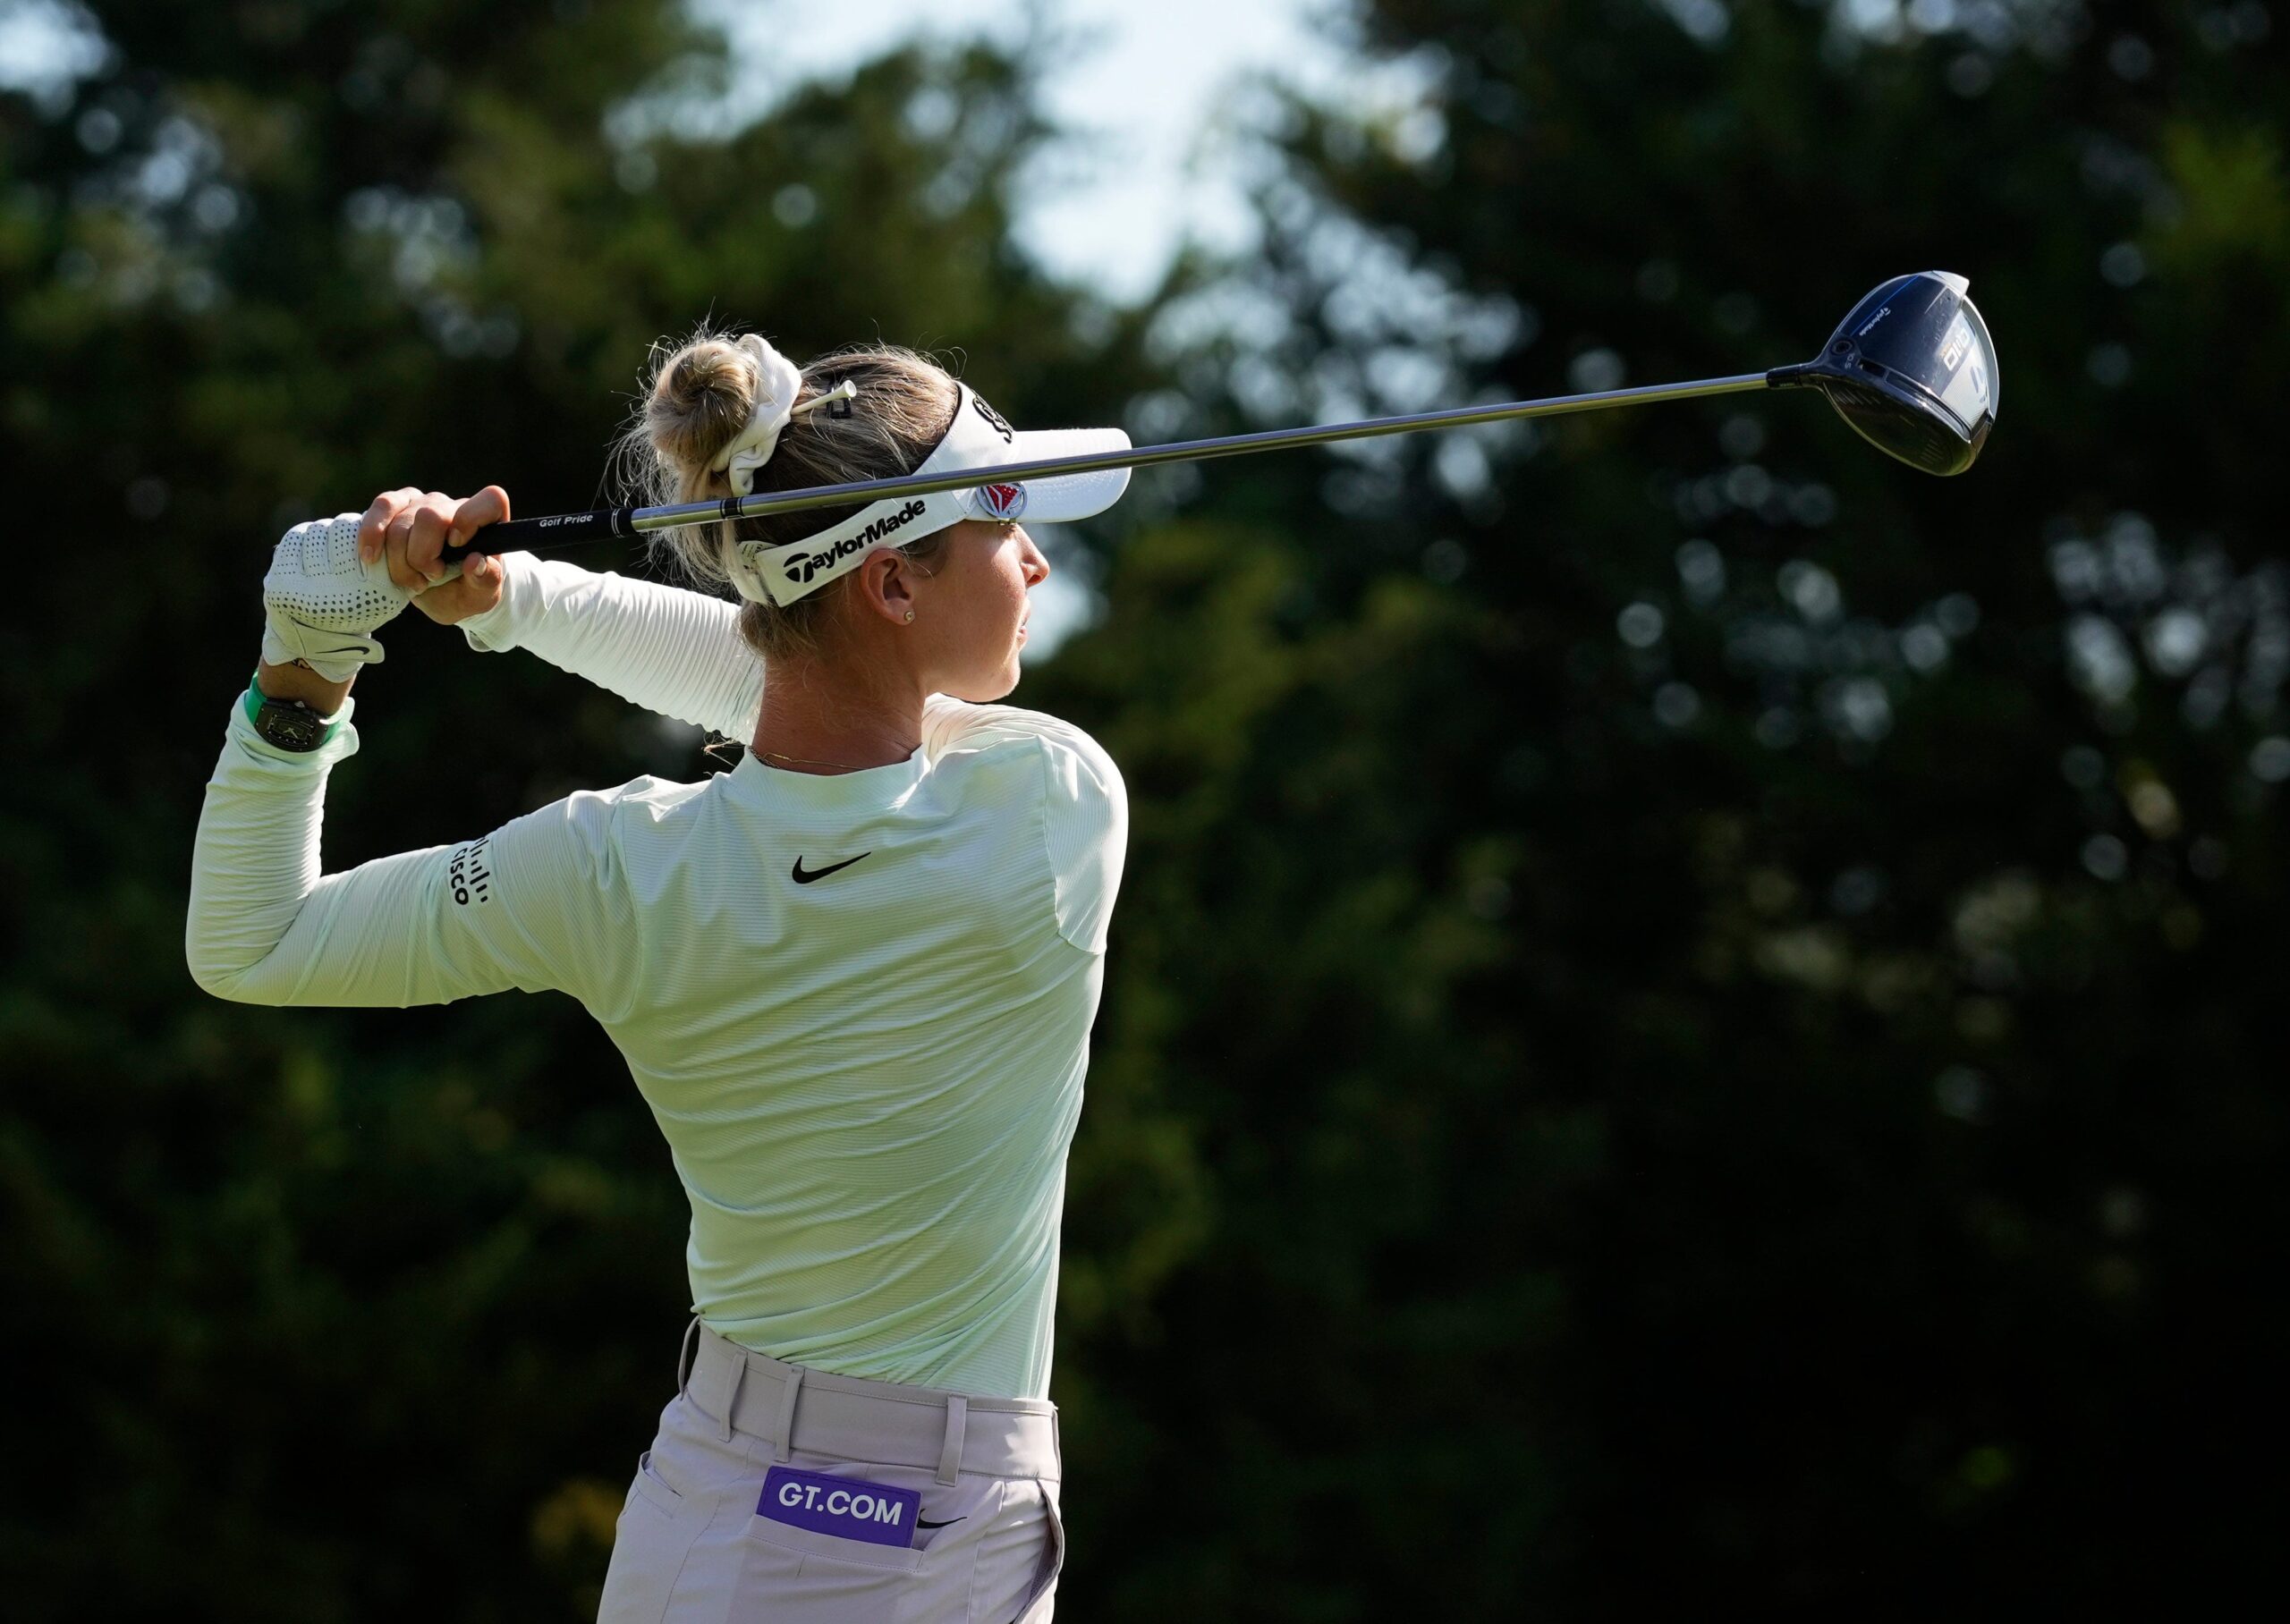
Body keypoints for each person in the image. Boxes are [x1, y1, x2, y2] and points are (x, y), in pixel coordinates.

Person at [186, 332, 1134, 1622]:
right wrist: (515, 603)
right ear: (893, 586)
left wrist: (310, 652)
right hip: (932, 1535)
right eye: (1002, 522)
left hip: (702, 1510)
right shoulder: (1050, 805)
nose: (1033, 561)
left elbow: (252, 942)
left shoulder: (610, 866)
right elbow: (788, 684)